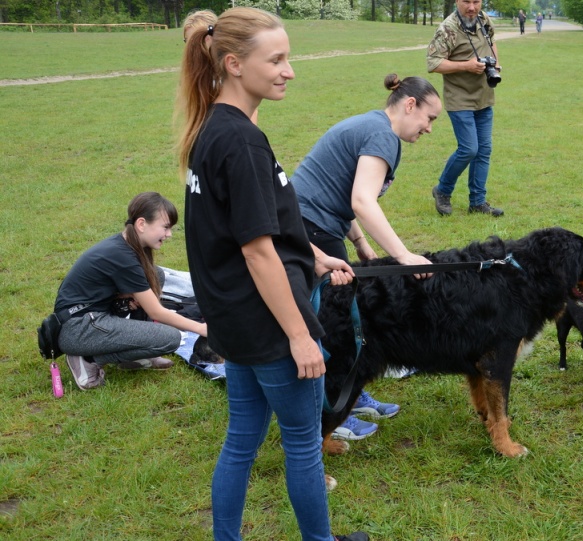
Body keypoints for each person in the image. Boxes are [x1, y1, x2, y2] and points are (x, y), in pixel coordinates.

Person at [176, 7, 366, 541]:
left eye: (289, 58)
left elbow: (257, 223)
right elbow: (258, 252)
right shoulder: (238, 141)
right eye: (276, 59)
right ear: (234, 63)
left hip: (235, 320)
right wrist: (301, 337)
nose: (289, 70)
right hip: (268, 323)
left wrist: (314, 254)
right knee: (303, 443)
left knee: (242, 438)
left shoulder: (215, 128)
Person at [292, 73, 442, 440]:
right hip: (310, 229)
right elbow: (362, 199)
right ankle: (329, 412)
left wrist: (358, 240)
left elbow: (341, 192)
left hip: (316, 223)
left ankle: (349, 395)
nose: (429, 128)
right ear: (410, 104)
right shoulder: (383, 135)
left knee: (342, 323)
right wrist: (403, 255)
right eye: (430, 118)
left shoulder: (373, 126)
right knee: (330, 327)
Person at [54, 192, 208, 390]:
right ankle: (89, 359)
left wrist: (125, 297)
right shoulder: (122, 256)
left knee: (155, 275)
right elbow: (156, 312)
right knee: (171, 339)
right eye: (166, 227)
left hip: (90, 317)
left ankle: (135, 357)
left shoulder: (127, 245)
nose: (169, 234)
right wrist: (201, 328)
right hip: (77, 328)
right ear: (142, 224)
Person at [426, 0, 504, 217]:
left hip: (484, 96)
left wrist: (496, 64)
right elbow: (433, 63)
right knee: (469, 149)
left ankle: (478, 202)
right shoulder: (447, 29)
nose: (472, 7)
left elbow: (492, 41)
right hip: (459, 98)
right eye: (467, 2)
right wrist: (466, 65)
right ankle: (442, 190)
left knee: (484, 151)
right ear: (457, 2)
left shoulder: (483, 18)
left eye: (476, 1)